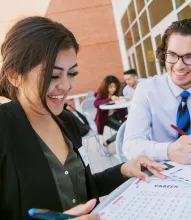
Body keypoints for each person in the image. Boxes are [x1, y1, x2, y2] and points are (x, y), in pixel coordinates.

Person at [0, 16, 167, 220]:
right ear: (14, 75)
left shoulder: (66, 120)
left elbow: (83, 189)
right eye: (53, 75)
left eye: (72, 73)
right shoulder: (4, 129)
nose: (66, 85)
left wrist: (124, 169)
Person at [123, 18, 191, 165]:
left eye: (190, 57)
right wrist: (169, 150)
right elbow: (130, 146)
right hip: (163, 172)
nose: (179, 66)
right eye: (172, 55)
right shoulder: (147, 91)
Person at [94, 75, 126, 155]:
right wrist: (110, 99)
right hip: (105, 118)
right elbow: (96, 103)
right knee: (123, 130)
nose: (113, 89)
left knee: (126, 126)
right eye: (111, 87)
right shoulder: (102, 94)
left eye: (114, 87)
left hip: (115, 114)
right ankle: (106, 143)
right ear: (106, 86)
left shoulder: (115, 93)